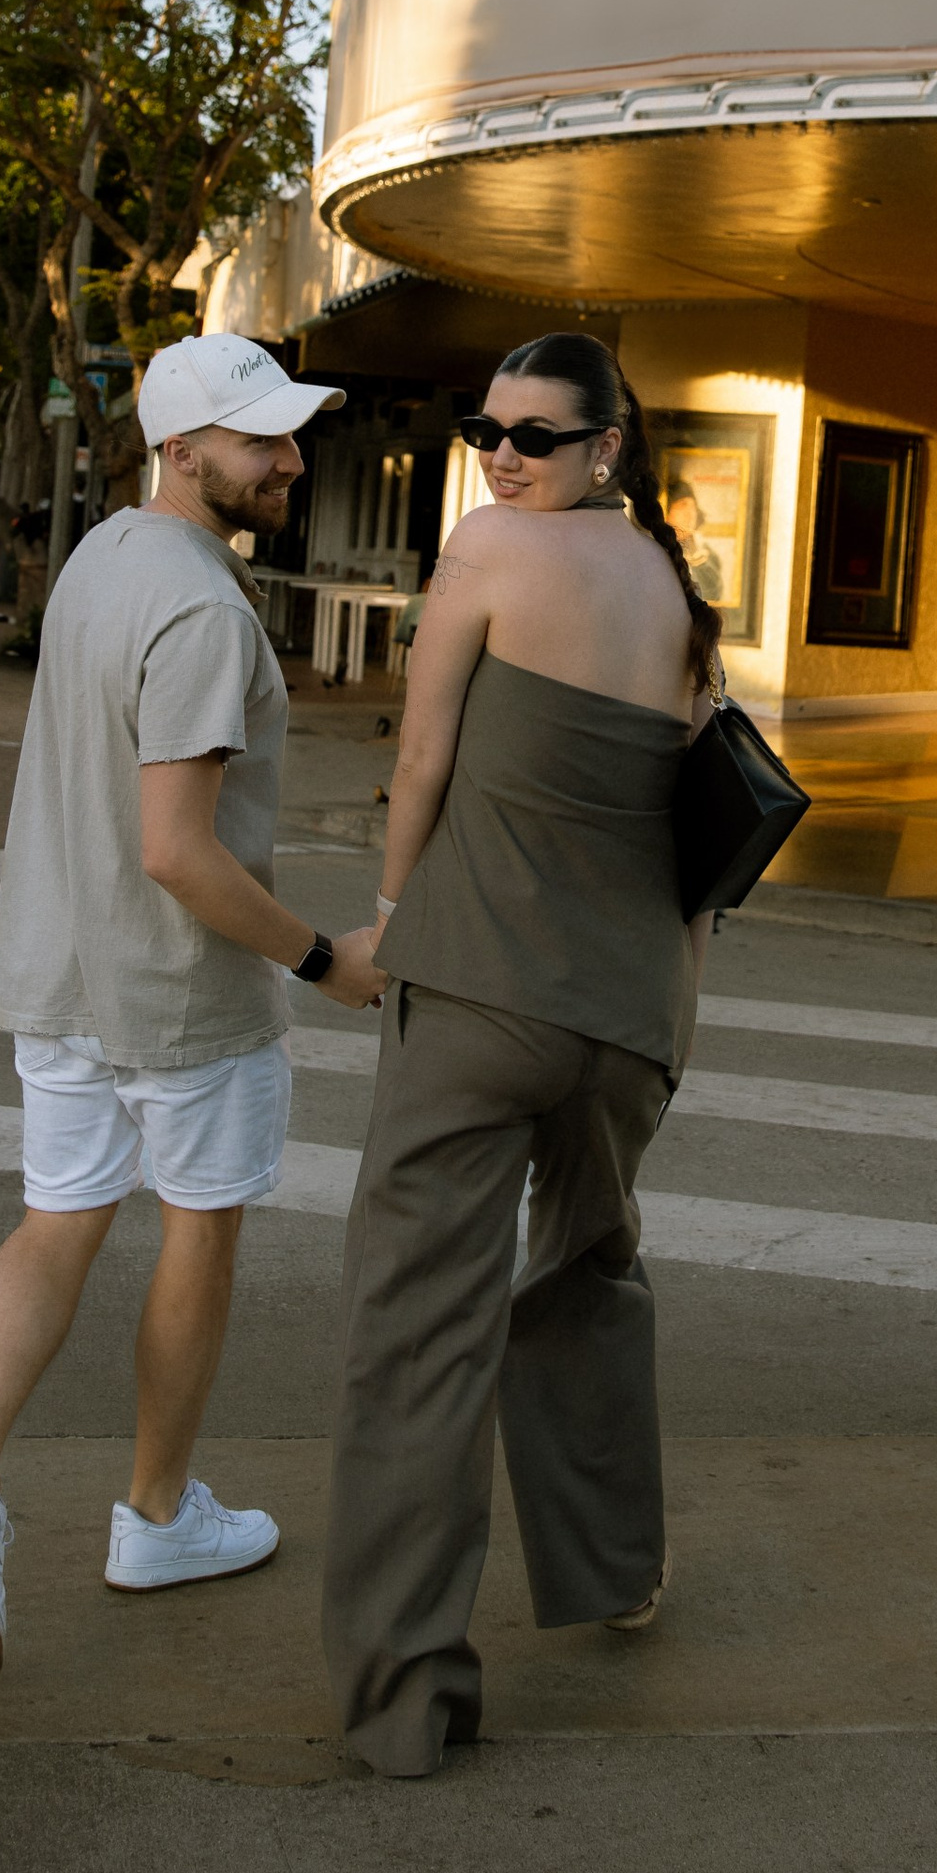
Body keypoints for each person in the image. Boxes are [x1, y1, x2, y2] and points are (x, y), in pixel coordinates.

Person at [0, 331, 383, 1684]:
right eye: (262, 440)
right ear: (183, 448)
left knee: (57, 1219)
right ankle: (159, 1514)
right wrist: (321, 962)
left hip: (59, 971)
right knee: (198, 1228)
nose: (291, 459)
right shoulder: (205, 611)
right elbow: (178, 848)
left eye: (294, 434)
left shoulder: (103, 557)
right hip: (176, 996)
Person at [321, 330, 719, 1777]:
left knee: (417, 1336)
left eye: (534, 434)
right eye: (484, 426)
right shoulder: (675, 592)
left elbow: (420, 761)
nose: (500, 454)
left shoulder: (488, 550)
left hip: (481, 994)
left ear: (605, 446)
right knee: (590, 1282)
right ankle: (617, 1573)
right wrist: (672, 1023)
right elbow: (701, 841)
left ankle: (407, 1703)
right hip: (624, 1022)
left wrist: (383, 924)